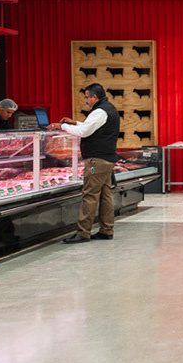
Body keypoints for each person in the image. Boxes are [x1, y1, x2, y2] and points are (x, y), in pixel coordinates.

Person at [53, 83, 119, 243]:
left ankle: (83, 233)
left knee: (90, 195)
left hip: (97, 160)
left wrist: (62, 126)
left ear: (94, 97)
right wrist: (74, 123)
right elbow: (91, 127)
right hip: (106, 159)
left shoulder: (100, 111)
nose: (86, 101)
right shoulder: (108, 109)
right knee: (106, 195)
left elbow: (84, 132)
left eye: (87, 97)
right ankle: (106, 230)